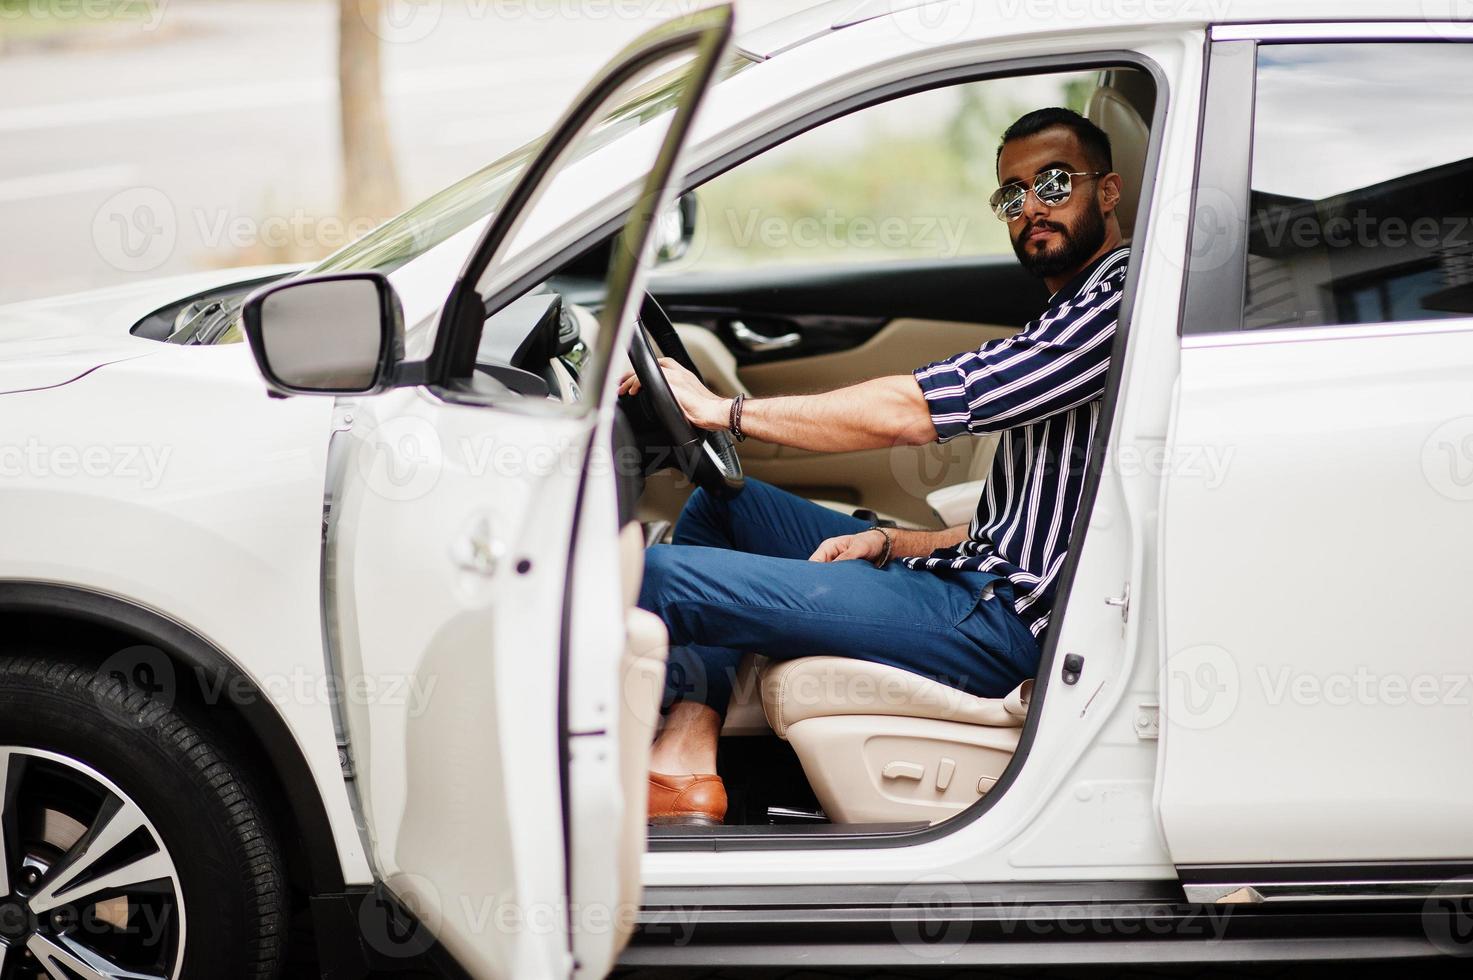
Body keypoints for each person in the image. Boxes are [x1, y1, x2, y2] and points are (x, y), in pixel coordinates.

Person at [620, 107, 1130, 826]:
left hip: (1001, 625)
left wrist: (720, 411)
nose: (1030, 208)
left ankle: (663, 766)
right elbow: (1031, 532)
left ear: (1106, 191)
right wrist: (894, 542)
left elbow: (913, 412)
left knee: (658, 575)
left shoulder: (1116, 307)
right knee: (721, 505)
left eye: (1052, 182)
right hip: (975, 580)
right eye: (1010, 195)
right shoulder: (1068, 310)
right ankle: (689, 748)